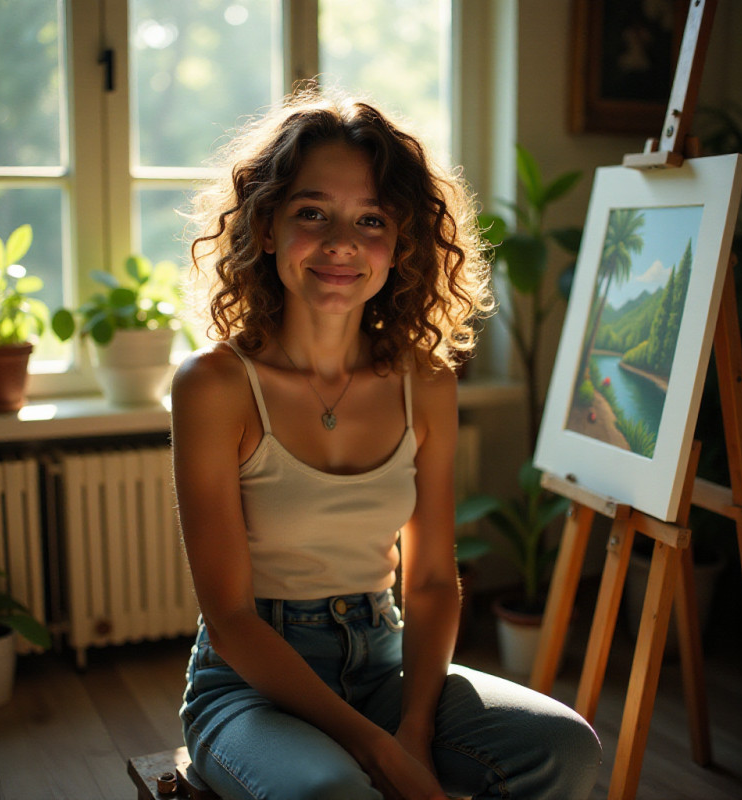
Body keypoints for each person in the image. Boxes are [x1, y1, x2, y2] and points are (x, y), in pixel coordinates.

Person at [172, 89, 601, 800]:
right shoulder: (214, 386)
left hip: (384, 662)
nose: (341, 242)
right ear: (268, 226)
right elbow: (231, 619)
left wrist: (413, 727)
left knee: (566, 750)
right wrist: (380, 748)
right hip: (249, 684)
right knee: (334, 792)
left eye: (370, 219)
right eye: (313, 212)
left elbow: (432, 580)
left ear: (400, 243)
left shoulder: (425, 381)